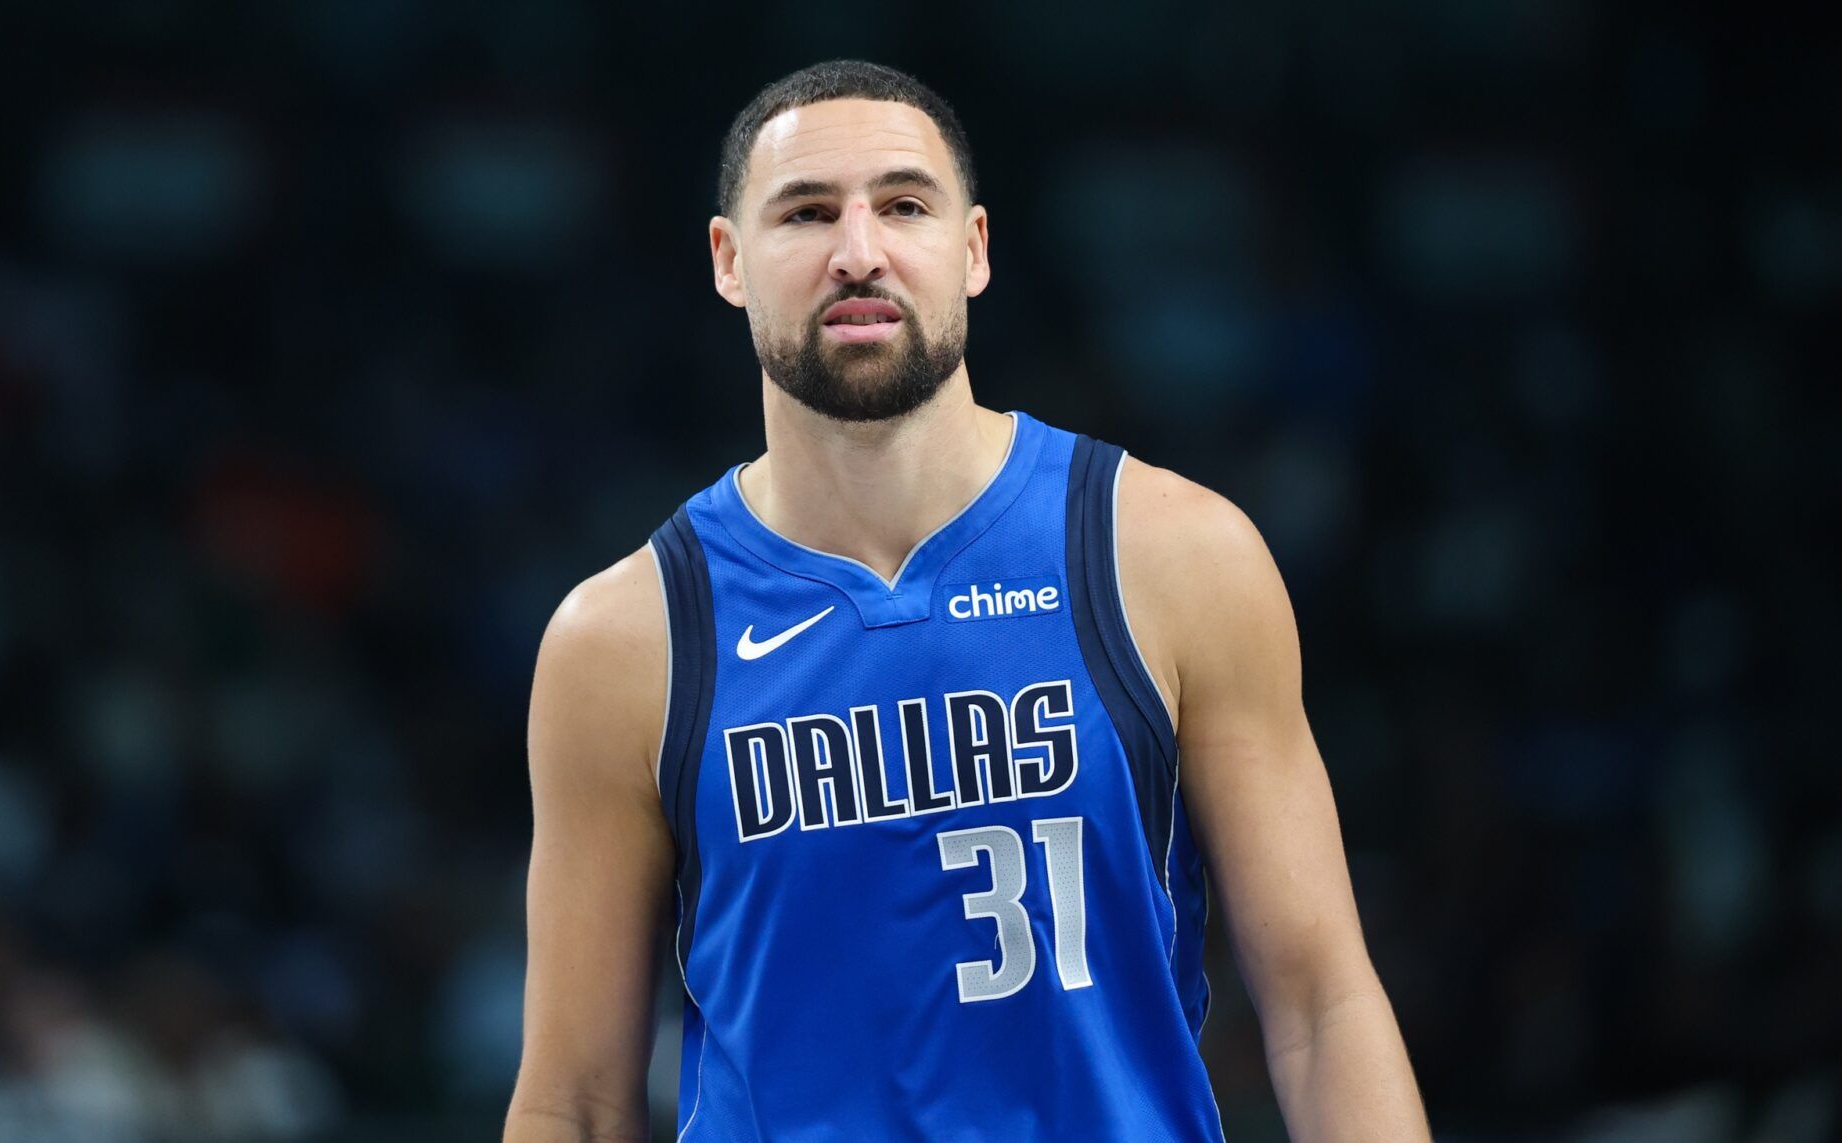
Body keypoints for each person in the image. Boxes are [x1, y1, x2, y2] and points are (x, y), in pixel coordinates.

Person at [505, 59, 1429, 1142]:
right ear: (730, 261)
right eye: (805, 214)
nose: (859, 252)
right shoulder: (625, 639)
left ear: (975, 249)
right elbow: (575, 1099)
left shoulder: (1171, 554)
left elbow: (1323, 1007)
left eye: (903, 205)